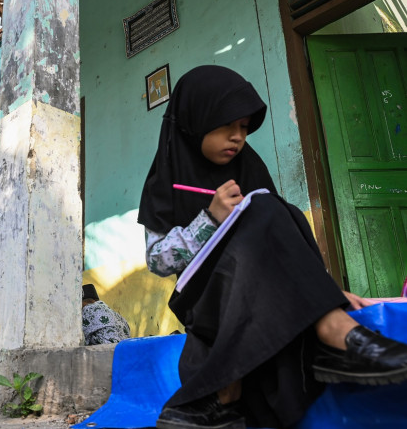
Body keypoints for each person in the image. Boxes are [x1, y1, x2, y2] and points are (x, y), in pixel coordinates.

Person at [137, 65, 407, 429]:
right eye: (227, 125)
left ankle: (329, 325)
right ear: (196, 119)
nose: (238, 138)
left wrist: (322, 287)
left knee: (277, 209)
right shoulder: (166, 180)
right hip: (205, 299)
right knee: (267, 207)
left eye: (245, 128)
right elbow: (158, 261)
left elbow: (280, 241)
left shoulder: (249, 167)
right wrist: (209, 219)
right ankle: (334, 335)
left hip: (258, 294)